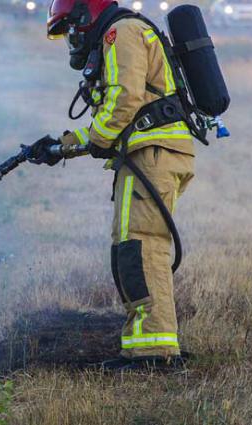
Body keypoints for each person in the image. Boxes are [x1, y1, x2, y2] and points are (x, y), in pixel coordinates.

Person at [26, 0, 195, 370]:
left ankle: (156, 353)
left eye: (70, 27)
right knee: (132, 247)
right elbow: (114, 116)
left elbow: (124, 100)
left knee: (141, 246)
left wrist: (96, 139)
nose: (71, 37)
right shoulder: (118, 36)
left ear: (86, 16)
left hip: (152, 154)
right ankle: (146, 346)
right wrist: (62, 145)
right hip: (148, 154)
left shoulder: (122, 33)